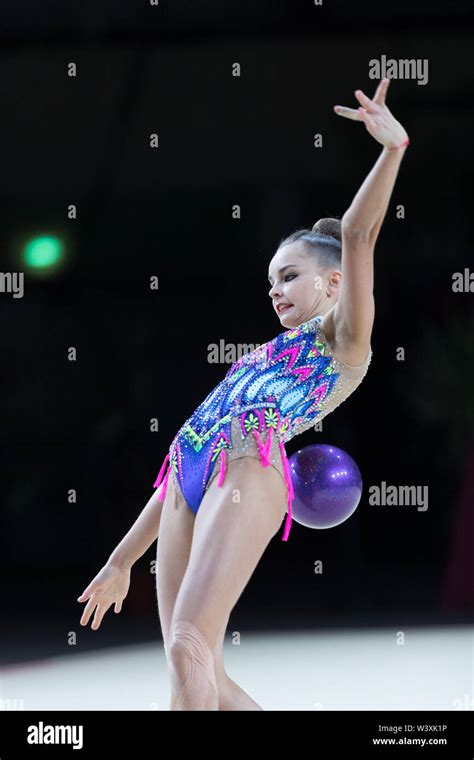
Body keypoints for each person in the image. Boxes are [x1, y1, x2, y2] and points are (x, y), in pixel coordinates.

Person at [77, 78, 409, 710]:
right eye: (269, 281)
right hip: (185, 479)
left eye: (290, 276)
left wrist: (390, 151)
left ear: (335, 281)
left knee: (189, 649)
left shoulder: (345, 340)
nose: (275, 290)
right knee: (193, 672)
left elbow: (361, 234)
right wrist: (122, 560)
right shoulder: (259, 357)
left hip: (247, 469)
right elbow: (180, 455)